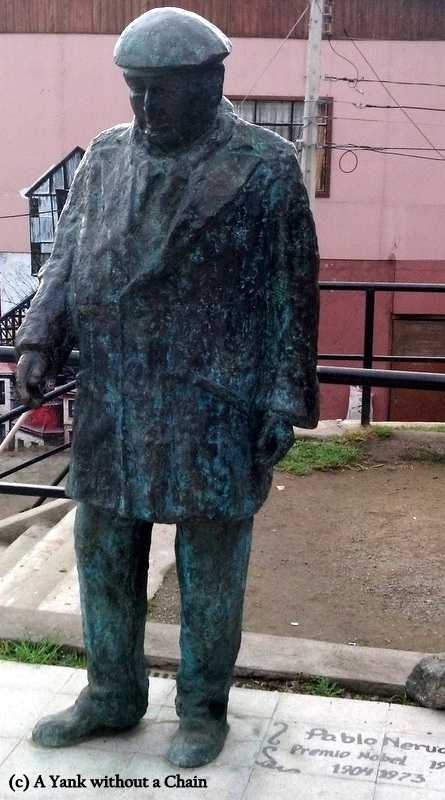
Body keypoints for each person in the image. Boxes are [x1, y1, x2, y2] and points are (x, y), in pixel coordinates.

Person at [15, 7, 319, 768]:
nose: (145, 108)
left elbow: (294, 288)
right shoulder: (107, 157)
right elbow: (67, 256)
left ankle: (202, 707)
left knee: (210, 560)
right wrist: (40, 334)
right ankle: (111, 692)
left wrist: (285, 397)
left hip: (216, 398)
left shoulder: (265, 164)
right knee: (103, 543)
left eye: (162, 91)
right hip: (117, 394)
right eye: (135, 91)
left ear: (211, 82)